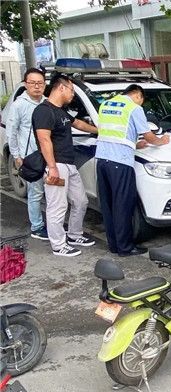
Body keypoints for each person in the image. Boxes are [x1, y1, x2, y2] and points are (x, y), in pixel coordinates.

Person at [95, 84, 170, 257]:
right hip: (120, 162)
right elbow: (149, 135)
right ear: (138, 95)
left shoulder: (106, 105)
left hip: (102, 161)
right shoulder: (134, 108)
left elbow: (112, 133)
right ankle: (125, 247)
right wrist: (161, 140)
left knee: (109, 205)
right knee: (123, 204)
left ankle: (114, 245)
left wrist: (135, 144)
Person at [33, 73, 98, 257]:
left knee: (80, 201)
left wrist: (101, 130)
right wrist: (52, 167)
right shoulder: (43, 111)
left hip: (69, 164)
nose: (72, 94)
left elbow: (78, 124)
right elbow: (44, 139)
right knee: (57, 206)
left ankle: (75, 235)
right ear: (61, 87)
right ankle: (59, 245)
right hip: (56, 165)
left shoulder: (60, 110)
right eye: (71, 90)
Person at [6, 68, 48, 240]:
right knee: (35, 192)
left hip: (49, 155)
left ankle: (52, 224)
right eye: (33, 83)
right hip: (30, 158)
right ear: (25, 84)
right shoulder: (19, 105)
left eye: (40, 83)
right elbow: (11, 132)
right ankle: (37, 226)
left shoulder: (47, 102)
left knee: (51, 192)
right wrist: (16, 156)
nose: (37, 87)